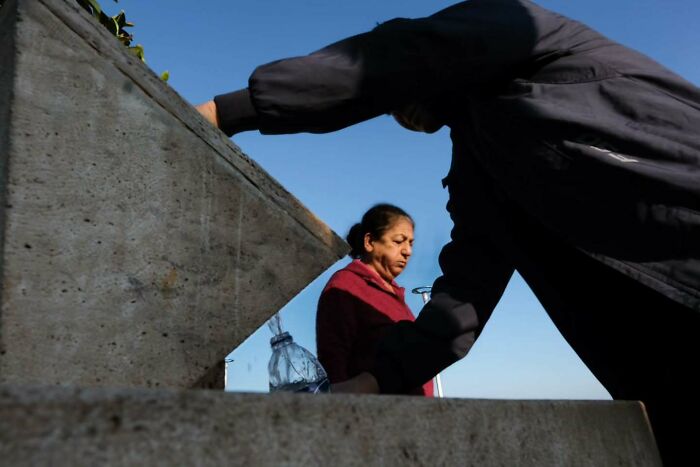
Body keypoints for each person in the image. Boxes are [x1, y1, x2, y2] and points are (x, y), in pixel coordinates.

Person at [195, 1, 700, 463]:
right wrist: (374, 383)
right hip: (658, 361)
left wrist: (226, 114)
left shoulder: (531, 34)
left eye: (394, 94)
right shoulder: (481, 175)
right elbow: (466, 292)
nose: (399, 113)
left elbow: (404, 54)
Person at [316, 204, 433, 397]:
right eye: (398, 241)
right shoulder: (345, 286)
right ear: (370, 242)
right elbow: (333, 361)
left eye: (410, 243)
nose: (407, 251)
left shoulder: (395, 294)